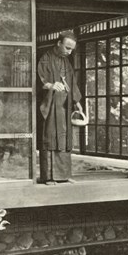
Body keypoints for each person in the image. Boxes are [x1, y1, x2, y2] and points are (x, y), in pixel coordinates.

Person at [37, 31, 83, 185]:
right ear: (58, 43)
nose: (69, 52)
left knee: (65, 139)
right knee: (51, 139)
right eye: (67, 48)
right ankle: (48, 177)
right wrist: (50, 85)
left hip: (65, 106)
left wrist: (77, 101)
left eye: (71, 49)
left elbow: (72, 82)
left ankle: (64, 175)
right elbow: (37, 80)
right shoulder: (45, 59)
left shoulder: (66, 61)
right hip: (51, 106)